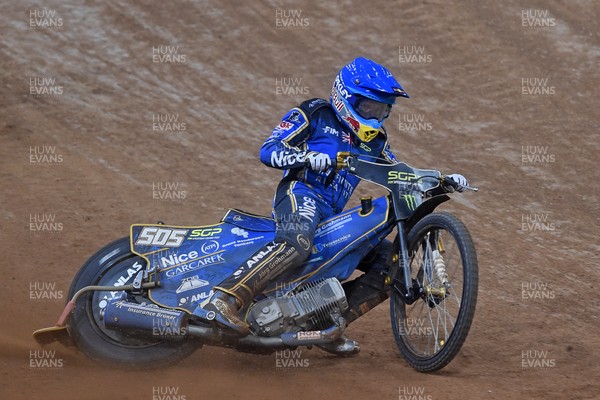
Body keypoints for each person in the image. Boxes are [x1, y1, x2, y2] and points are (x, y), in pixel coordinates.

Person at [204, 57, 468, 354]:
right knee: (297, 242)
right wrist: (305, 157)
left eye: (383, 110)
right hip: (301, 193)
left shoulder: (376, 141)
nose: (376, 115)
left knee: (390, 264)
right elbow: (269, 150)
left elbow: (398, 174)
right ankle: (225, 300)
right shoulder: (317, 113)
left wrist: (438, 179)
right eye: (370, 107)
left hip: (332, 213)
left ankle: (324, 324)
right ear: (347, 97)